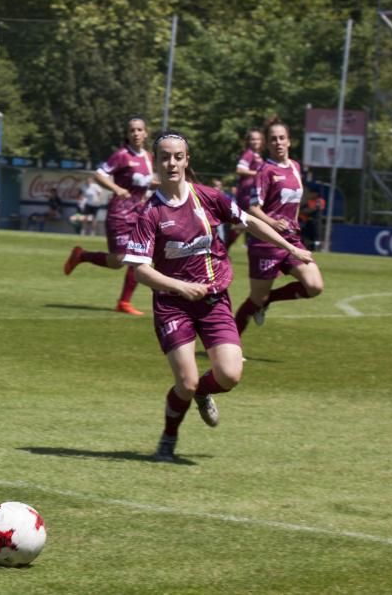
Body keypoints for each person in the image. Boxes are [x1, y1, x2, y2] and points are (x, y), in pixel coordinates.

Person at [123, 131, 313, 462]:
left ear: (187, 160)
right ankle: (168, 438)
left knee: (230, 375)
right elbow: (140, 270)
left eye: (178, 156)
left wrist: (289, 246)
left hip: (213, 300)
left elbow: (250, 221)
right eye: (165, 156)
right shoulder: (150, 213)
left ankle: (203, 394)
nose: (172, 162)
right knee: (187, 380)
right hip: (173, 305)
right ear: (156, 161)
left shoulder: (209, 198)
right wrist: (179, 286)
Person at [233, 118, 324, 335]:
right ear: (268, 144)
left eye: (282, 138)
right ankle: (228, 346)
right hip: (266, 242)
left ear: (289, 141)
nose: (278, 142)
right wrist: (273, 222)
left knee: (314, 286)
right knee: (256, 299)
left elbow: (290, 201)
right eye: (273, 139)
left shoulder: (295, 167)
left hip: (292, 239)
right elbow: (253, 208)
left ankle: (269, 300)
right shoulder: (265, 171)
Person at [62, 116, 155, 315]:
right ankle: (82, 255)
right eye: (132, 130)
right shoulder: (121, 155)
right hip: (120, 213)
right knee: (119, 261)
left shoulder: (148, 157)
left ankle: (123, 302)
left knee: (140, 257)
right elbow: (99, 174)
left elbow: (146, 183)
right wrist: (117, 188)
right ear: (127, 134)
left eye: (139, 130)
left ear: (146, 133)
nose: (136, 133)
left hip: (139, 213)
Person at [229, 128, 265, 250]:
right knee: (246, 221)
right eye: (252, 139)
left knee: (246, 222)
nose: (255, 141)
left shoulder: (257, 155)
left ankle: (224, 247)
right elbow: (240, 169)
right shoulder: (249, 154)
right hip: (246, 194)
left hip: (253, 193)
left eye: (258, 139)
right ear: (248, 141)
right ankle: (223, 246)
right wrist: (258, 174)